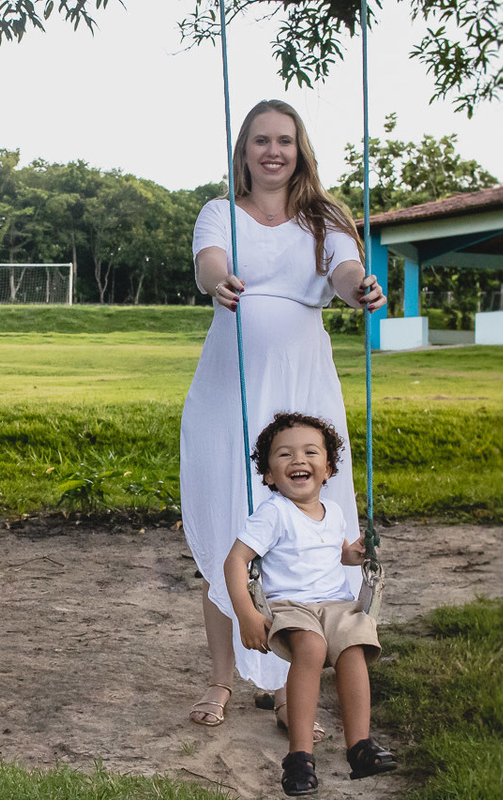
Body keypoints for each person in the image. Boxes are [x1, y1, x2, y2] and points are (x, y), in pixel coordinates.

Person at [180, 99, 386, 733]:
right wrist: (220, 281)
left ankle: (285, 690)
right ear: (243, 150)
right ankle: (221, 679)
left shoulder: (325, 218)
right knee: (232, 529)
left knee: (305, 537)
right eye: (261, 140)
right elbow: (208, 262)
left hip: (304, 386)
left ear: (300, 150)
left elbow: (346, 271)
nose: (273, 151)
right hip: (229, 391)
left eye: (285, 141)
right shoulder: (220, 212)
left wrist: (361, 289)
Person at [224, 412, 396, 796]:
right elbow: (235, 560)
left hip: (337, 604)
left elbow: (335, 554)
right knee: (312, 648)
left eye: (309, 452)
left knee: (353, 648)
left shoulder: (332, 512)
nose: (297, 460)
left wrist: (357, 552)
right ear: (269, 475)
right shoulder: (273, 513)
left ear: (327, 469)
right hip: (292, 606)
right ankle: (299, 757)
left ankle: (360, 746)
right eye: (284, 455)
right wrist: (246, 613)